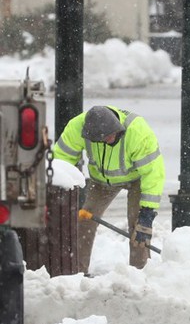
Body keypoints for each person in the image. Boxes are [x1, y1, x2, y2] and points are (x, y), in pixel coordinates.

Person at [53, 105, 165, 274]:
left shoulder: (137, 132)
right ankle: (76, 272)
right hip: (101, 180)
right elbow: (61, 160)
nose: (108, 140)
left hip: (137, 178)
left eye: (110, 137)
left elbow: (153, 174)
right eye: (102, 139)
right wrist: (58, 190)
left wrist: (147, 214)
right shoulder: (78, 127)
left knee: (138, 226)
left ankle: (139, 272)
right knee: (85, 220)